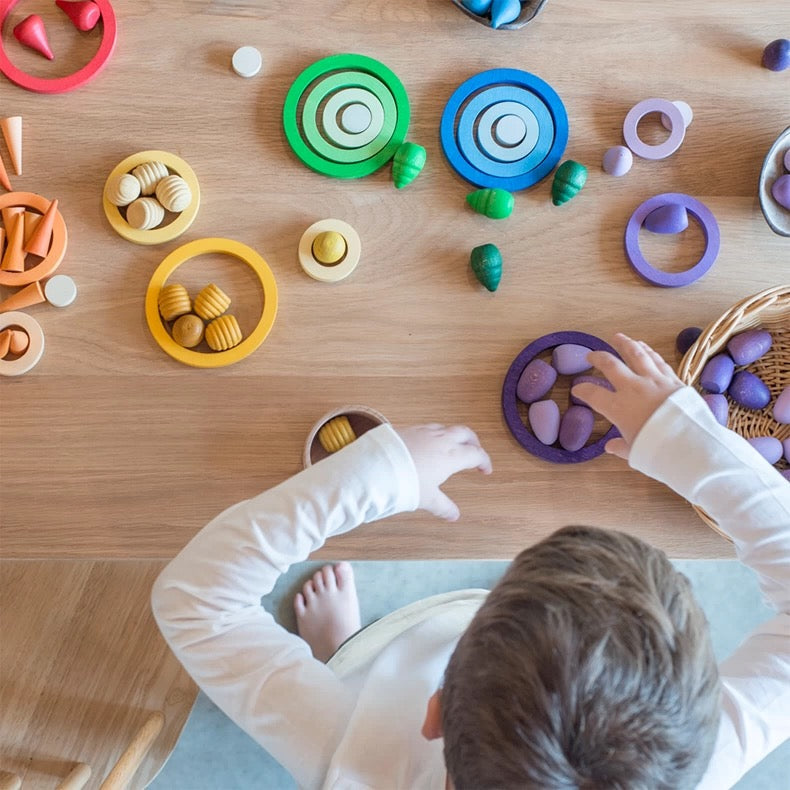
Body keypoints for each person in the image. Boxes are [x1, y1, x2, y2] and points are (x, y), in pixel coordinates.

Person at [151, 334, 790, 789]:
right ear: (700, 728)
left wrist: (377, 475)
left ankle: (347, 658)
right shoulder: (694, 769)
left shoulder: (353, 762)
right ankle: (348, 659)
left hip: (368, 718)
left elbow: (197, 603)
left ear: (433, 716)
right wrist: (684, 442)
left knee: (358, 686)